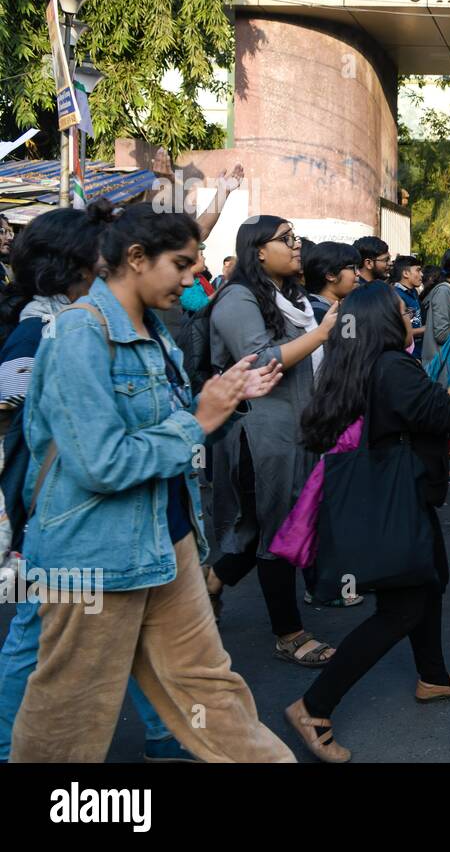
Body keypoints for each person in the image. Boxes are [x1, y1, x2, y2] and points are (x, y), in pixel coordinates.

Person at [8, 204, 293, 762]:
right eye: (182, 264)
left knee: (210, 688)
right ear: (135, 259)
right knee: (70, 713)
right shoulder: (78, 335)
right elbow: (102, 463)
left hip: (170, 542)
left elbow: (179, 432)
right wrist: (201, 418)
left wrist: (226, 402)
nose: (193, 279)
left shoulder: (157, 332)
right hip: (93, 557)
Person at [284, 284, 450, 761]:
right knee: (402, 609)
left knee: (429, 581)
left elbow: (425, 412)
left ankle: (432, 677)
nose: (411, 315)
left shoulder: (366, 363)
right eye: (402, 310)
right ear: (382, 322)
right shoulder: (391, 366)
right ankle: (314, 706)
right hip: (396, 500)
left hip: (394, 497)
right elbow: (445, 415)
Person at [0, 205, 195, 762]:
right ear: (80, 265)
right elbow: (92, 454)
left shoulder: (99, 322)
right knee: (36, 642)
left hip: (92, 523)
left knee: (118, 633)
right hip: (64, 520)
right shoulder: (57, 329)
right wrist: (193, 423)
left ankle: (164, 733)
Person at [205, 216, 340, 666]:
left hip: (293, 427)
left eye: (296, 237)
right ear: (258, 250)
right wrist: (321, 333)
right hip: (258, 432)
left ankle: (208, 587)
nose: (297, 246)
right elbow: (259, 360)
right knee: (277, 529)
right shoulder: (237, 298)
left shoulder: (291, 298)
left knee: (258, 527)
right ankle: (289, 633)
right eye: (287, 239)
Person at [303, 241, 360, 323]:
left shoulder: (337, 307)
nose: (358, 273)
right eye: (353, 268)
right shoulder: (316, 313)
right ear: (331, 275)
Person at [390, 255, 427, 360]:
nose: (422, 274)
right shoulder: (396, 295)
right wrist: (425, 329)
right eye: (418, 270)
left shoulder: (413, 292)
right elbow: (399, 331)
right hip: (406, 354)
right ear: (406, 273)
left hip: (418, 351)